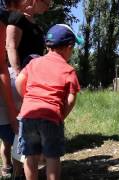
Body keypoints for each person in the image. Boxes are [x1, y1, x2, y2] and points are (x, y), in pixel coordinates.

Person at [15, 24, 82, 180]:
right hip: (51, 116)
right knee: (52, 156)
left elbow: (19, 81)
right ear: (69, 47)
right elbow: (71, 98)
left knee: (30, 155)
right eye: (72, 50)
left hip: (28, 115)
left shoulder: (33, 63)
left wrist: (28, 99)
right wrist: (61, 114)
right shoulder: (68, 70)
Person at [0, 0, 33, 177]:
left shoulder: (10, 18)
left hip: (8, 81)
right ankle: (14, 171)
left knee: (10, 134)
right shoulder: (10, 19)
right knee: (13, 132)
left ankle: (13, 171)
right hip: (10, 81)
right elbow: (8, 52)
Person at [6, 0, 51, 75]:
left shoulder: (37, 27)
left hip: (32, 75)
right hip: (19, 75)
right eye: (47, 4)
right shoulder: (18, 18)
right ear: (36, 1)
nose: (47, 9)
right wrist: (18, 73)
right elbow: (11, 46)